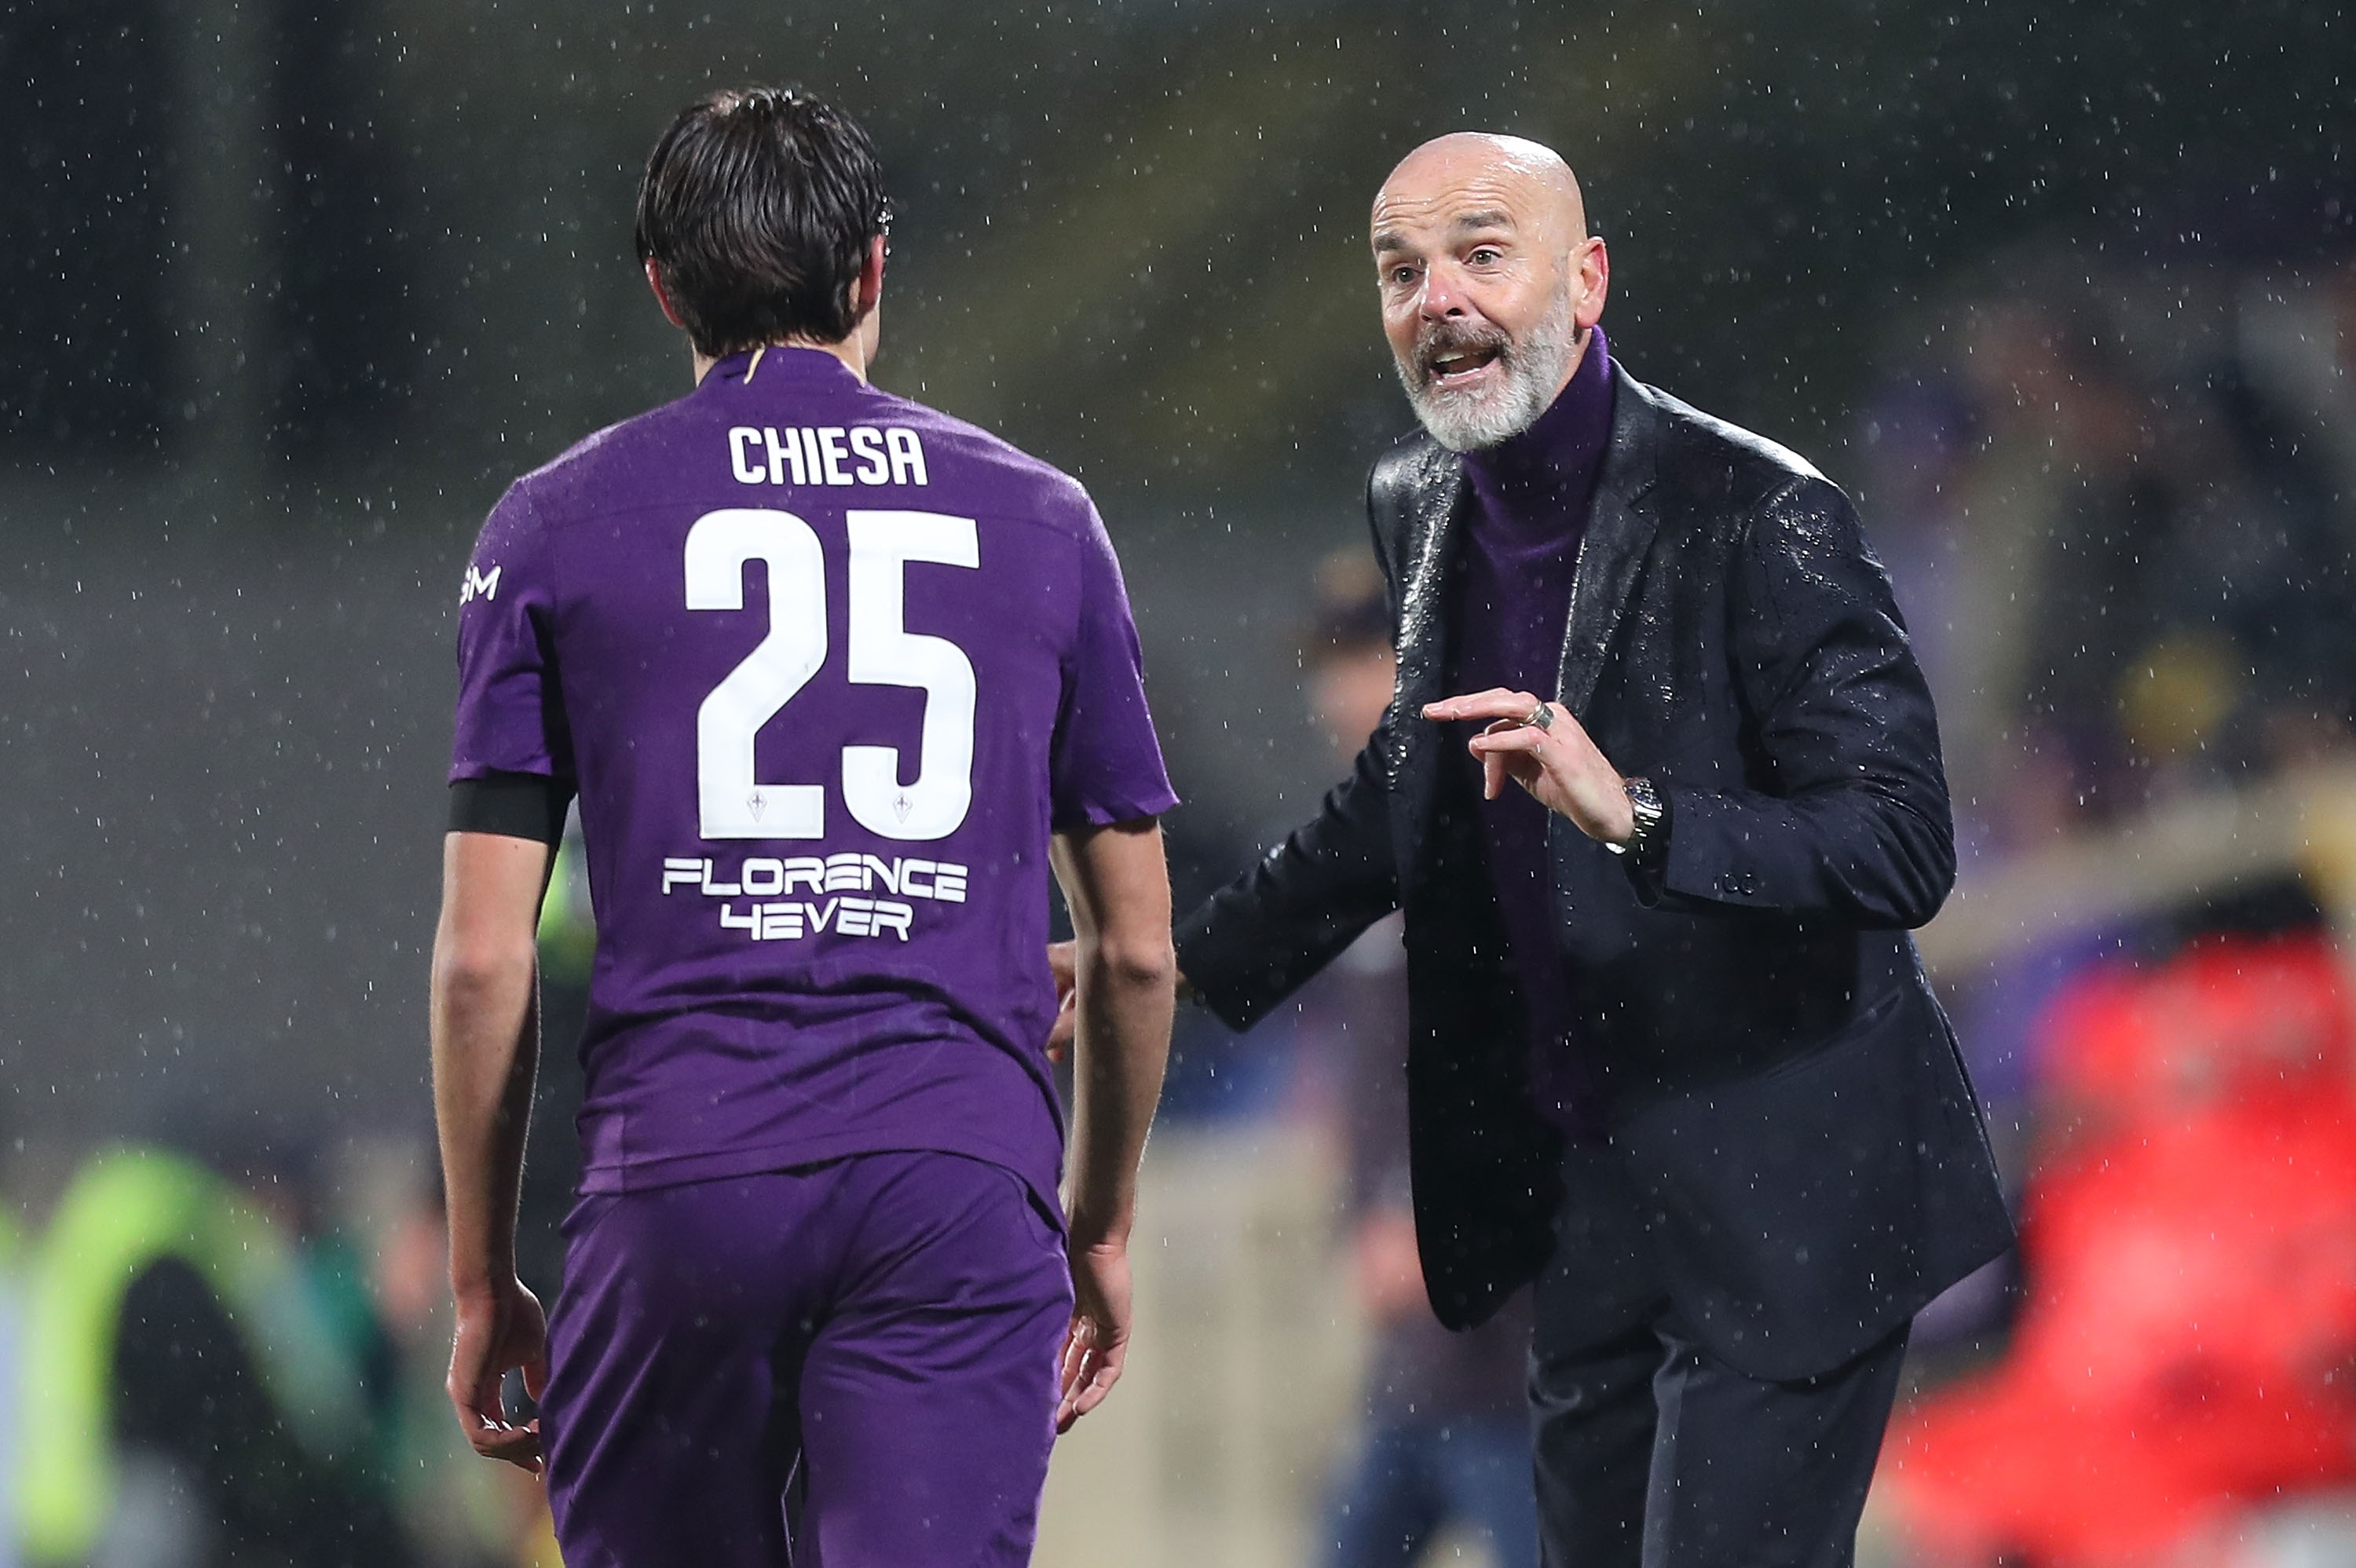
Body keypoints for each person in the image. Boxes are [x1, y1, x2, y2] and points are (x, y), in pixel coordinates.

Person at [1088, 132, 2014, 1566]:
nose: (1437, 299)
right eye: (1401, 270)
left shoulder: (1760, 511)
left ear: (1585, 281)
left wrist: (1637, 811)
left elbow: (1898, 843)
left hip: (1785, 1192)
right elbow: (1404, 791)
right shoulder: (1418, 501)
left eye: (1481, 254)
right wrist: (1166, 962)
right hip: (1581, 1202)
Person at [430, 86, 1177, 1568]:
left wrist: (478, 1280)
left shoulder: (552, 524)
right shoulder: (1043, 520)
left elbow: (482, 962)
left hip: (681, 1176)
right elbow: (1138, 951)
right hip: (952, 1179)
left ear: (663, 288)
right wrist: (1095, 1225)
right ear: (874, 268)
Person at [1294, 559, 1538, 1568]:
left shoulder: (1487, 818)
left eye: (1366, 657)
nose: (1337, 691)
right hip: (1424, 1351)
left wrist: (1419, 1201)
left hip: (1500, 1326)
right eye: (1332, 662)